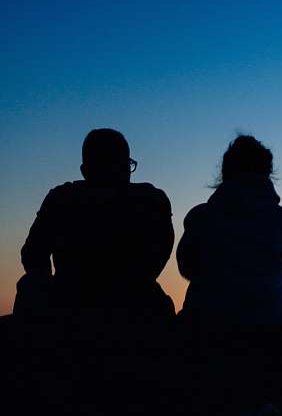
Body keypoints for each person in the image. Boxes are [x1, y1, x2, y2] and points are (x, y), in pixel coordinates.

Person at [15, 128, 175, 319]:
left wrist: (52, 292)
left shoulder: (61, 199)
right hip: (136, 309)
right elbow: (158, 257)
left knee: (29, 285)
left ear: (85, 170)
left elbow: (33, 255)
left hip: (69, 309)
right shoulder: (152, 201)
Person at [177, 135, 282, 329]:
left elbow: (187, 267)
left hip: (205, 326)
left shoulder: (200, 216)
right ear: (267, 172)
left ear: (225, 172)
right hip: (272, 327)